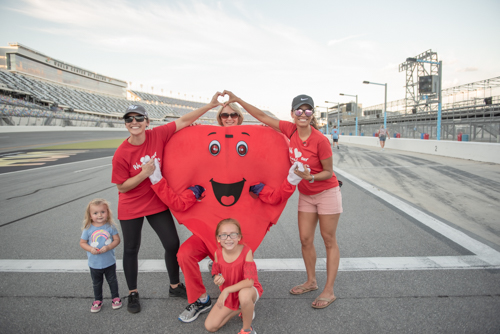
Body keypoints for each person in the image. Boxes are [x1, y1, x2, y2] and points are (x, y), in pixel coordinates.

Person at [221, 91, 342, 309]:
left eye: (307, 110)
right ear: (293, 113)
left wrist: (311, 177)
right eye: (299, 110)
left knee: (328, 240)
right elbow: (262, 117)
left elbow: (329, 172)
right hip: (306, 194)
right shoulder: (291, 129)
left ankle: (329, 290)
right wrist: (238, 100)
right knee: (305, 240)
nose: (302, 114)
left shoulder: (320, 140)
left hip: (326, 192)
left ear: (312, 113)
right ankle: (311, 281)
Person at [112, 92, 223, 313]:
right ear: (126, 124)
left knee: (172, 244)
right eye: (129, 119)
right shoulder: (121, 153)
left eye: (138, 118)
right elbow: (122, 187)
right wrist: (144, 174)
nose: (134, 122)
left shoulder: (157, 135)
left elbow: (183, 121)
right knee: (132, 248)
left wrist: (210, 105)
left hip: (156, 202)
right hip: (131, 205)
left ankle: (174, 285)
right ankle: (133, 292)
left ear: (147, 122)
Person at [205, 219, 262, 334]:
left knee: (244, 295)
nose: (229, 238)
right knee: (210, 326)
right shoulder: (218, 253)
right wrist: (217, 278)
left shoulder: (246, 251)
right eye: (224, 235)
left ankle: (247, 330)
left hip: (247, 290)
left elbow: (249, 282)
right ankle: (243, 309)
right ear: (218, 239)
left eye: (233, 234)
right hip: (230, 294)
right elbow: (217, 271)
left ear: (239, 237)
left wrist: (226, 290)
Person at [80, 198, 121, 313]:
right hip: (94, 263)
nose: (99, 215)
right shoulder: (88, 229)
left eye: (103, 212)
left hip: (109, 262)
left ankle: (115, 298)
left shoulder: (110, 227)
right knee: (97, 283)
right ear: (90, 215)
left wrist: (108, 247)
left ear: (107, 213)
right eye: (95, 213)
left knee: (112, 280)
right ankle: (98, 300)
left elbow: (117, 240)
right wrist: (90, 249)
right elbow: (82, 243)